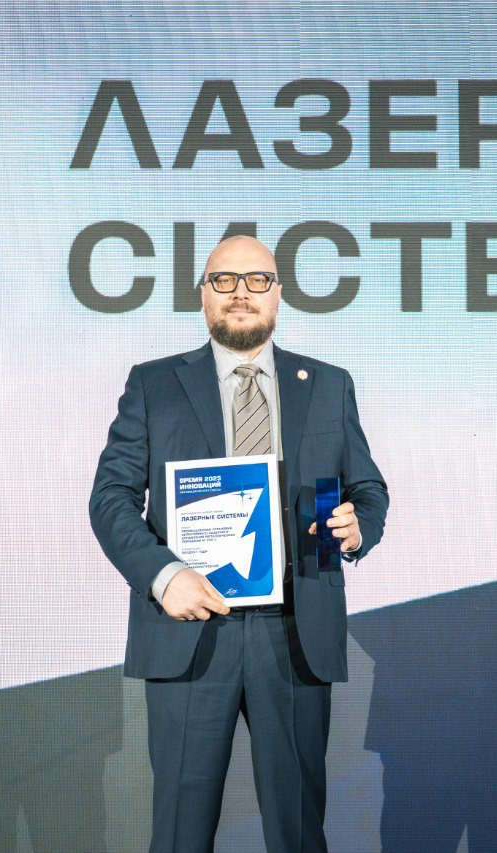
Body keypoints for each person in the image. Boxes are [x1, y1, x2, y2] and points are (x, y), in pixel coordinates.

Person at [89, 235, 389, 852]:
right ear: (203, 295)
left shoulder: (329, 385)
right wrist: (163, 575)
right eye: (224, 281)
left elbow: (368, 488)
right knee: (181, 832)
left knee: (298, 833)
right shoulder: (153, 385)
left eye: (257, 280)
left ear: (277, 294)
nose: (241, 294)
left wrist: (360, 525)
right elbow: (111, 498)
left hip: (296, 631)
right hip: (192, 631)